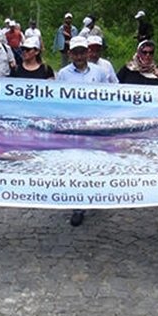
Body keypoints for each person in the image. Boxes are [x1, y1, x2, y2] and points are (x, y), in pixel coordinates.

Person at [56, 36, 109, 227]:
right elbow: (56, 101)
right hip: (73, 127)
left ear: (88, 52)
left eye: (82, 52)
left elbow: (109, 98)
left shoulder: (100, 72)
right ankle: (77, 205)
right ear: (70, 54)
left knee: (93, 163)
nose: (79, 56)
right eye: (75, 53)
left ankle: (92, 193)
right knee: (75, 164)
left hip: (94, 126)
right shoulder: (63, 74)